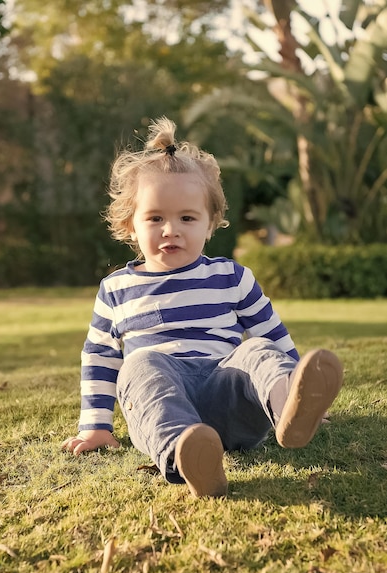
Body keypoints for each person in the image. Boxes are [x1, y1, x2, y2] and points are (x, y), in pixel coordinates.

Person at [62, 117, 343, 498]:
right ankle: (189, 455)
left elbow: (271, 333)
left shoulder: (232, 276)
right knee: (140, 363)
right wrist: (96, 425)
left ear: (211, 224)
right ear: (130, 225)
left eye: (187, 218)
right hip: (162, 403)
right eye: (155, 218)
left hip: (227, 395)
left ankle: (288, 408)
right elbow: (99, 358)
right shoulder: (116, 289)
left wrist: (294, 381)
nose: (170, 229)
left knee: (256, 350)